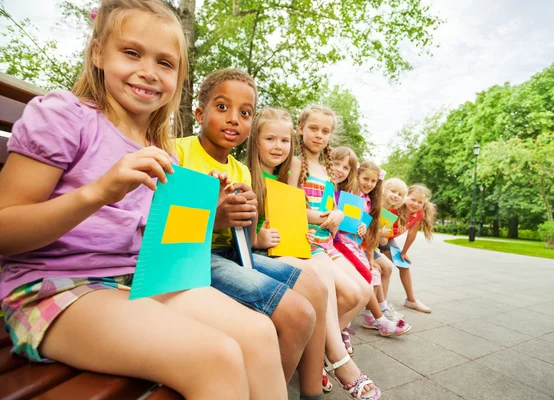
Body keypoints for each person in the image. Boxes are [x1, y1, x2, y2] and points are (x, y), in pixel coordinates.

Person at [0, 1, 287, 399]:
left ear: (179, 77)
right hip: (54, 288)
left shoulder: (161, 151)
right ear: (98, 52)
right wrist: (98, 192)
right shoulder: (64, 116)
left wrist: (212, 213)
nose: (149, 72)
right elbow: (5, 229)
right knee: (216, 356)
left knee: (258, 333)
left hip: (141, 279)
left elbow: (161, 242)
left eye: (165, 63)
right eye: (131, 52)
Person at [175, 69, 328, 400]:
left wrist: (247, 217)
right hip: (194, 257)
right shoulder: (178, 154)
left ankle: (307, 390)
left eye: (245, 113)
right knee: (299, 315)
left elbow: (241, 237)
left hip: (231, 254)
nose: (233, 120)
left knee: (315, 286)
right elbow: (168, 235)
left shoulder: (240, 169)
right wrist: (215, 219)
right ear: (199, 113)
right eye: (222, 107)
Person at [291, 106, 380, 400]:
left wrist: (337, 216)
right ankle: (334, 359)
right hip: (307, 244)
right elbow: (290, 207)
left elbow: (333, 208)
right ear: (301, 127)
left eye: (325, 131)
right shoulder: (295, 164)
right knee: (334, 291)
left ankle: (315, 351)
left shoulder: (328, 170)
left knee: (362, 292)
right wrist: (322, 217)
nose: (319, 135)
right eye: (313, 128)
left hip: (326, 243)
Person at [245, 106, 330, 396]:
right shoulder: (245, 175)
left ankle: (312, 384)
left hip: (285, 251)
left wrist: (301, 232)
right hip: (255, 254)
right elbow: (234, 235)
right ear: (255, 140)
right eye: (270, 139)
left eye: (284, 141)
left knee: (319, 282)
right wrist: (258, 239)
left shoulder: (285, 184)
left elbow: (293, 223)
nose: (278, 147)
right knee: (314, 277)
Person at [330, 150, 410, 338]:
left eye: (373, 181)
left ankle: (374, 317)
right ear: (356, 175)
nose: (368, 184)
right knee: (368, 273)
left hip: (356, 246)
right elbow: (341, 221)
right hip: (341, 242)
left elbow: (367, 237)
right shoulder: (348, 193)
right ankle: (376, 319)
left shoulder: (368, 201)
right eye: (365, 178)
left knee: (373, 271)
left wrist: (368, 247)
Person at [381, 182, 437, 313]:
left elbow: (412, 233)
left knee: (404, 265)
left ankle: (411, 301)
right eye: (413, 199)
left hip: (387, 239)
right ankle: (379, 303)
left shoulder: (419, 213)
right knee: (380, 268)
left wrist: (404, 252)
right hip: (377, 236)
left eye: (420, 202)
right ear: (406, 197)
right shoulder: (394, 208)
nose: (415, 204)